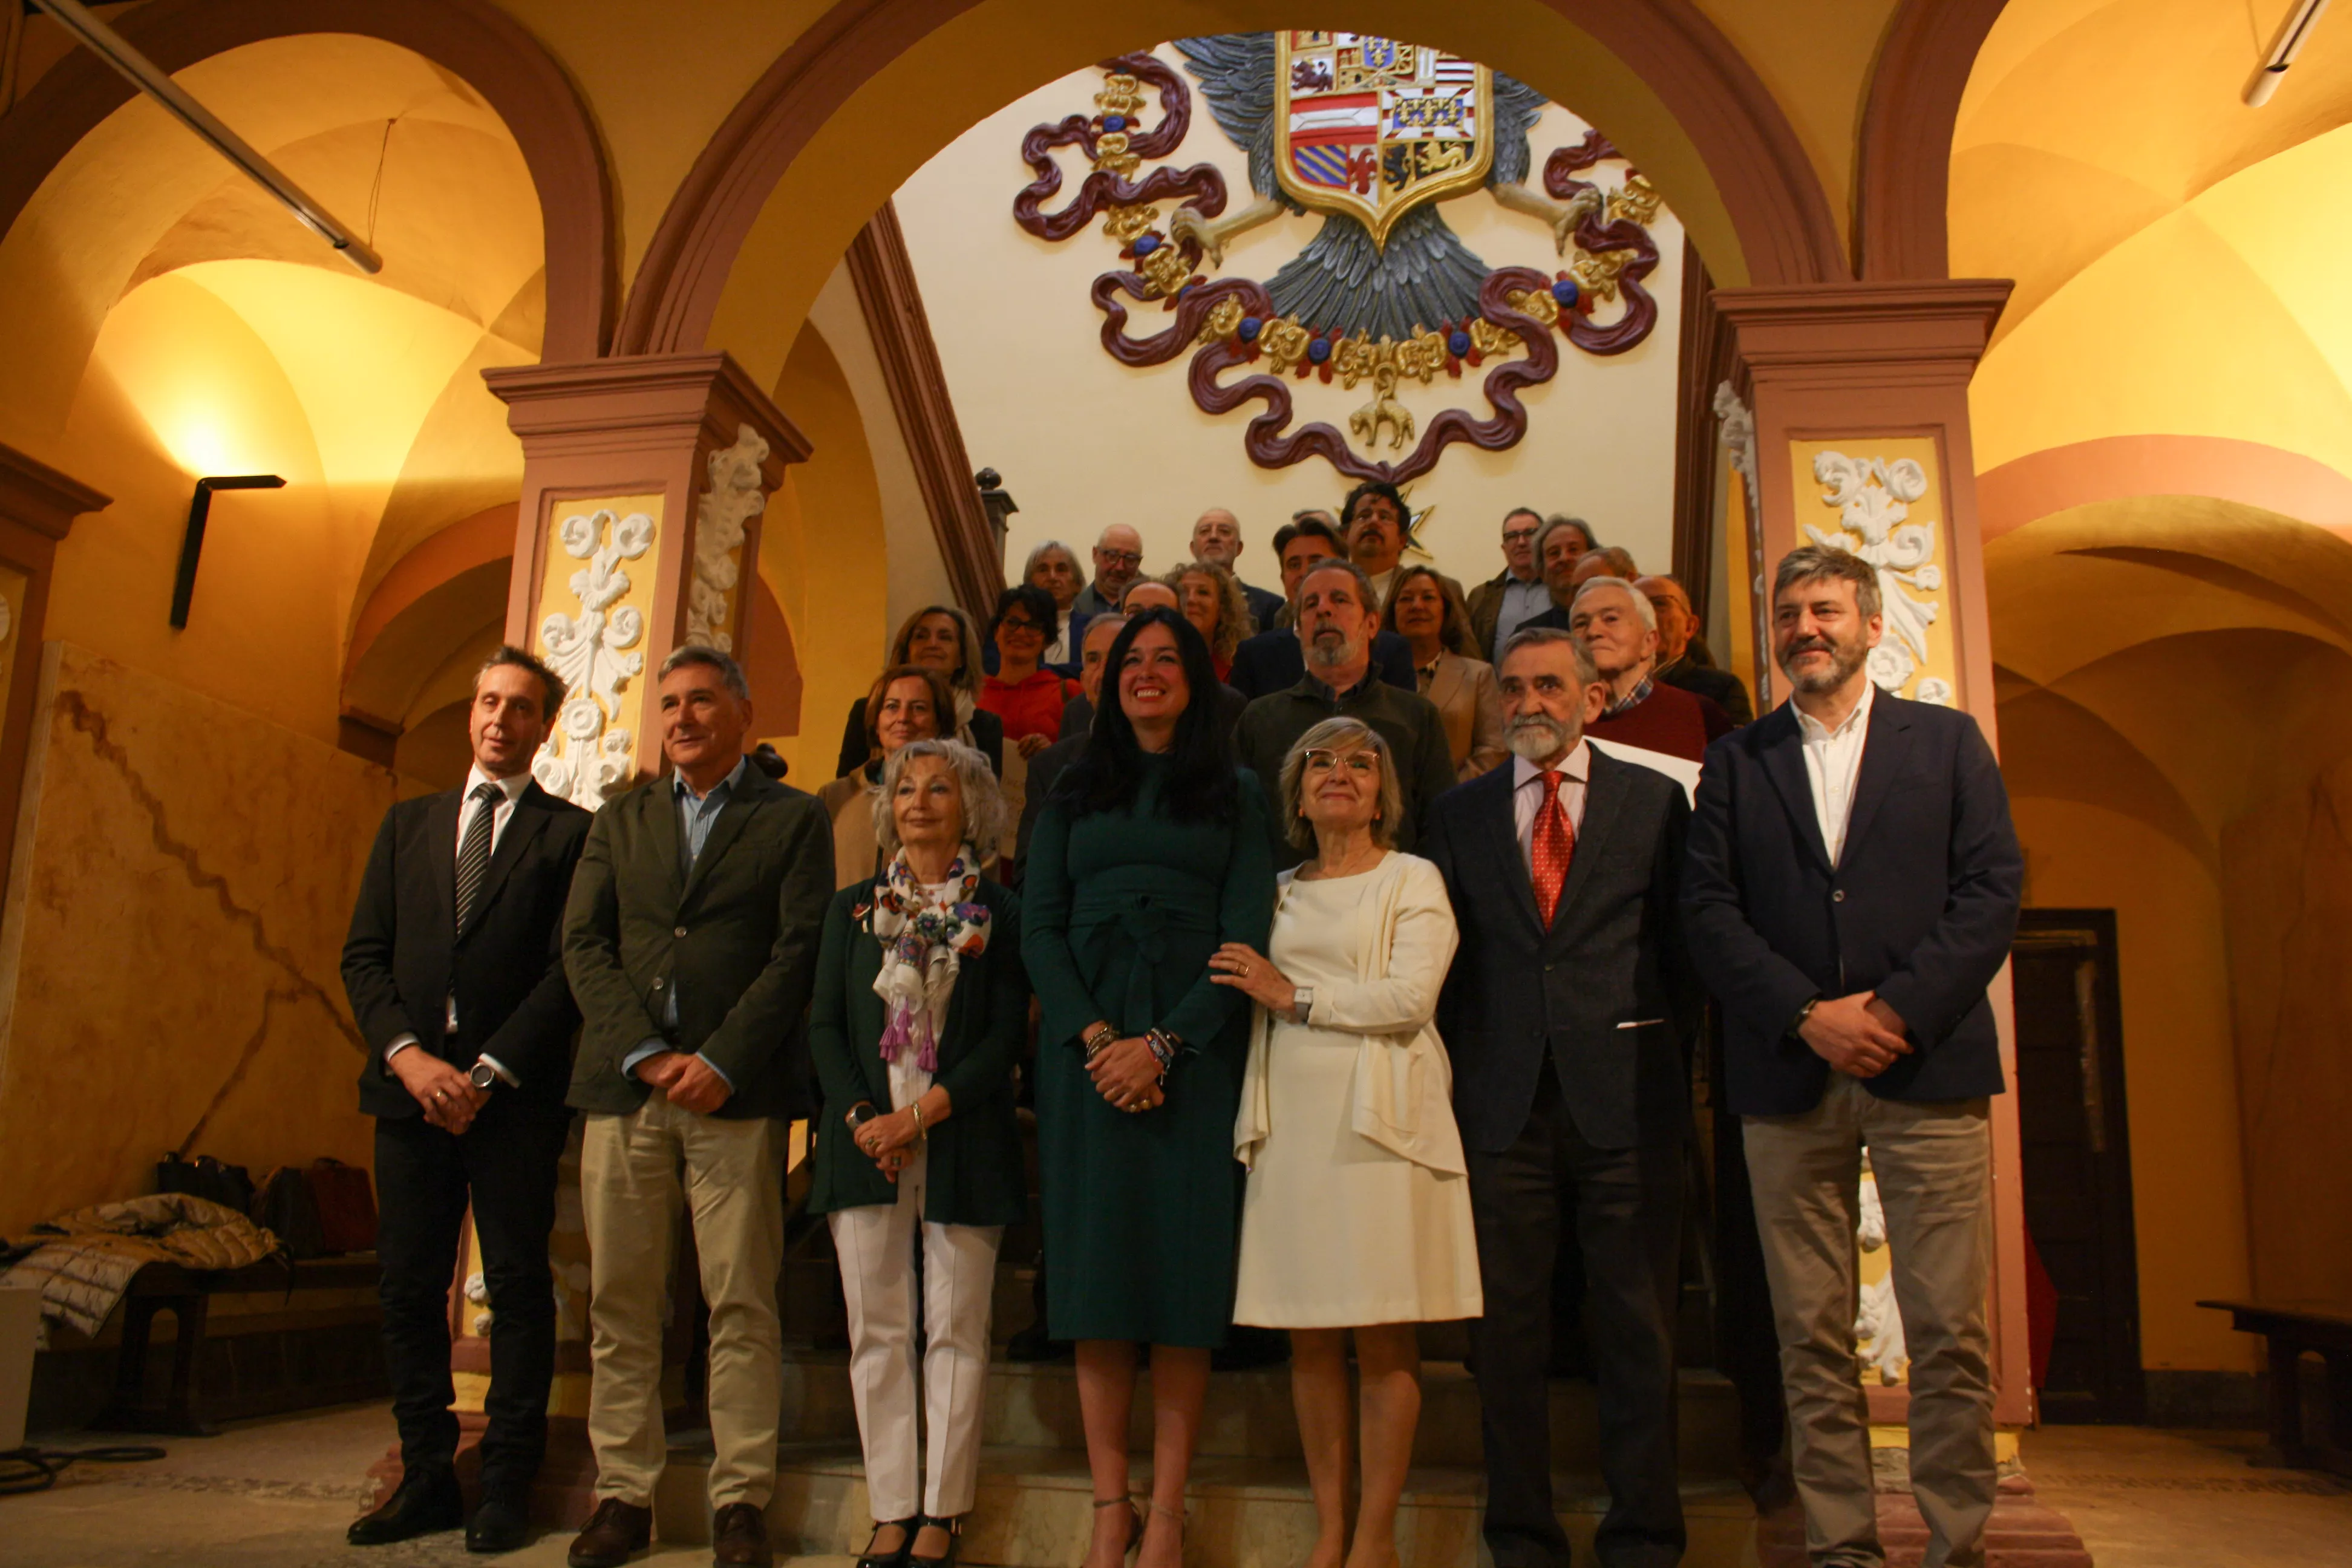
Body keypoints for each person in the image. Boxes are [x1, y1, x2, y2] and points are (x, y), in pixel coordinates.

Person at [1681, 545, 2023, 1568]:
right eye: (1787, 613)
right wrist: (1804, 1014)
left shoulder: (1946, 743)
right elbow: (1706, 911)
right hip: (1785, 1074)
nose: (1803, 628)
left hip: (1928, 1066)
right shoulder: (1737, 761)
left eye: (1823, 609)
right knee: (1807, 1333)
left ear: (1872, 624)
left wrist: (1894, 1011)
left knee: (1949, 1332)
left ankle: (1954, 1541)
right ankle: (1840, 1543)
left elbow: (1990, 891)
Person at [1423, 626, 1702, 1568]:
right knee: (1506, 1337)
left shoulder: (1656, 802)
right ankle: (1523, 1537)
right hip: (1501, 1110)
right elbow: (1448, 973)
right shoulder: (1458, 816)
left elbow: (1682, 953)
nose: (1530, 703)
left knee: (1638, 1328)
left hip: (1628, 1101)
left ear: (1591, 697)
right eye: (1514, 689)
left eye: (1550, 686)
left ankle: (1645, 1538)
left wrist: (1668, 1070)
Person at [561, 645, 835, 1568]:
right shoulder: (621, 816)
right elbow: (584, 945)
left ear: (741, 714)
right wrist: (644, 1052)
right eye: (670, 703)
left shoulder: (792, 819)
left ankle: (740, 1501)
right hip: (624, 1089)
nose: (682, 717)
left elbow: (799, 949)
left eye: (703, 700)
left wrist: (720, 1057)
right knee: (623, 1304)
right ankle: (623, 1496)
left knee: (741, 1302)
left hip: (738, 1092)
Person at [1021, 608, 1276, 1568]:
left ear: (1197, 680)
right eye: (1133, 660)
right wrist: (1099, 1040)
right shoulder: (1072, 786)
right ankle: (1107, 1506)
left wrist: (1163, 1046)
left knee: (1180, 1277)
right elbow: (1039, 927)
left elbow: (1246, 931)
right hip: (1085, 1059)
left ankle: (1167, 1511)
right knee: (1095, 1279)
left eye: (1169, 660)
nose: (1149, 674)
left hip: (1193, 1057)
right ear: (1107, 679)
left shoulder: (1237, 791)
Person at [339, 648, 592, 1553]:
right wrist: (410, 1061)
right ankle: (426, 1476)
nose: (499, 719)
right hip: (409, 1098)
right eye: (489, 702)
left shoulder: (572, 836)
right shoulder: (408, 825)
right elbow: (363, 958)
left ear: (544, 725)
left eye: (520, 707)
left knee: (519, 1289)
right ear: (471, 713)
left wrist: (485, 1074)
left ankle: (506, 1487)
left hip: (511, 1105)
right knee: (408, 1290)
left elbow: (571, 970)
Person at [1217, 719, 1481, 1568]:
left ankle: (1376, 1538)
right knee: (1309, 1334)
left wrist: (1293, 996)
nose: (1340, 774)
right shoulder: (1278, 890)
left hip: (1380, 1127)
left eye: (1361, 763)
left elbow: (1408, 998)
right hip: (1291, 1125)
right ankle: (1330, 1527)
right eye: (1320, 763)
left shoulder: (1413, 878)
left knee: (1381, 1336)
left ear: (1384, 793)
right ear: (1296, 794)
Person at [809, 739, 1027, 1568]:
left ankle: (944, 1511)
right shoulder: (852, 909)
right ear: (888, 807)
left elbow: (1006, 1031)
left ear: (971, 807)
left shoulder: (1000, 914)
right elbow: (827, 1024)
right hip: (864, 1138)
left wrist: (920, 1116)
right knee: (878, 1330)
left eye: (942, 789)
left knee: (958, 1330)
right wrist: (870, 1117)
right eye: (908, 789)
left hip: (960, 1131)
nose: (922, 801)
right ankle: (893, 1508)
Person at [1235, 560, 1454, 864]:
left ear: (1372, 623)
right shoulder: (1260, 719)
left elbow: (1441, 828)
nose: (1323, 610)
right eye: (1311, 604)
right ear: (1299, 628)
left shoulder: (1417, 717)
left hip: (1392, 900)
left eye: (1339, 600)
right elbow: (1238, 827)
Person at [1230, 520, 1417, 699]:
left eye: (1316, 562)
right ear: (1283, 578)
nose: (1305, 573)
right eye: (1294, 565)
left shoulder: (1391, 651)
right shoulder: (1255, 656)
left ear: (1344, 568)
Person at [1563, 577, 1733, 763]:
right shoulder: (1557, 717)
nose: (1593, 631)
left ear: (1649, 641)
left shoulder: (1701, 717)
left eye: (1611, 619)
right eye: (1580, 624)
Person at [820, 664, 952, 890]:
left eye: (918, 708)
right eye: (892, 707)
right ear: (876, 721)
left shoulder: (958, 797)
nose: (903, 718)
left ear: (938, 723)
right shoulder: (834, 797)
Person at [836, 606, 1005, 778]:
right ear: (906, 652)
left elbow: (990, 799)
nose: (932, 644)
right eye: (921, 637)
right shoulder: (868, 710)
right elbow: (846, 791)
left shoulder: (985, 726)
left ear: (962, 657)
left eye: (945, 638)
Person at [1019, 615, 1126, 878]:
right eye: (1093, 660)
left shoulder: (1178, 756)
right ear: (1084, 680)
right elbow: (1029, 875)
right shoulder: (1049, 767)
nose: (1103, 672)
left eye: (1117, 657)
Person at [1385, 564, 1508, 780]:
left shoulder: (1479, 675)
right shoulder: (1375, 676)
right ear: (1392, 610)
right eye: (1406, 599)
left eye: (1428, 598)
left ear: (1446, 610)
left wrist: (1448, 795)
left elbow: (1493, 749)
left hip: (1457, 802)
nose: (1417, 606)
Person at [979, 583, 1078, 757]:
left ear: (1047, 640)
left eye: (1033, 626)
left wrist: (1053, 753)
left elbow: (1086, 757)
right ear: (996, 632)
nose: (1020, 632)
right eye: (1012, 622)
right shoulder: (972, 694)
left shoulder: (1069, 693)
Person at [1639, 574, 1753, 725]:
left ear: (1690, 627)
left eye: (1659, 604)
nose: (1647, 615)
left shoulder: (1720, 689)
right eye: (1637, 606)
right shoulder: (1606, 685)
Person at [1466, 506, 1553, 659]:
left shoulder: (1564, 588)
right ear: (1504, 548)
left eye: (1530, 533)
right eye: (1512, 536)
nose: (1521, 542)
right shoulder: (1481, 597)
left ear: (1545, 541)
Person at [1189, 507, 1286, 632]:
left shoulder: (1270, 606)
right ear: (1193, 548)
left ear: (1239, 548)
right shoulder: (1174, 600)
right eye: (1204, 531)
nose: (1213, 537)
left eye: (1224, 532)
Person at [1169, 558, 1251, 683]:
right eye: (1183, 592)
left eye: (1203, 592)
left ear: (1223, 608)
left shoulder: (1241, 668)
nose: (1191, 599)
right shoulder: (1152, 664)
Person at [1342, 480, 1412, 607]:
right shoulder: (1325, 588)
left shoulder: (1425, 591)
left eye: (1385, 517)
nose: (1373, 521)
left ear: (1402, 540)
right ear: (1345, 535)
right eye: (1364, 516)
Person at [1024, 539, 1091, 671]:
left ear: (1077, 584)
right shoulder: (1013, 628)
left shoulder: (1092, 629)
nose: (1052, 577)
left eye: (1061, 569)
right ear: (1029, 583)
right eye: (1043, 570)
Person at [1074, 524, 1145, 616]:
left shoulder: (1152, 605)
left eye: (1130, 559)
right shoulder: (1074, 605)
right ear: (1095, 554)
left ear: (1139, 562)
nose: (1120, 567)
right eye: (1112, 556)